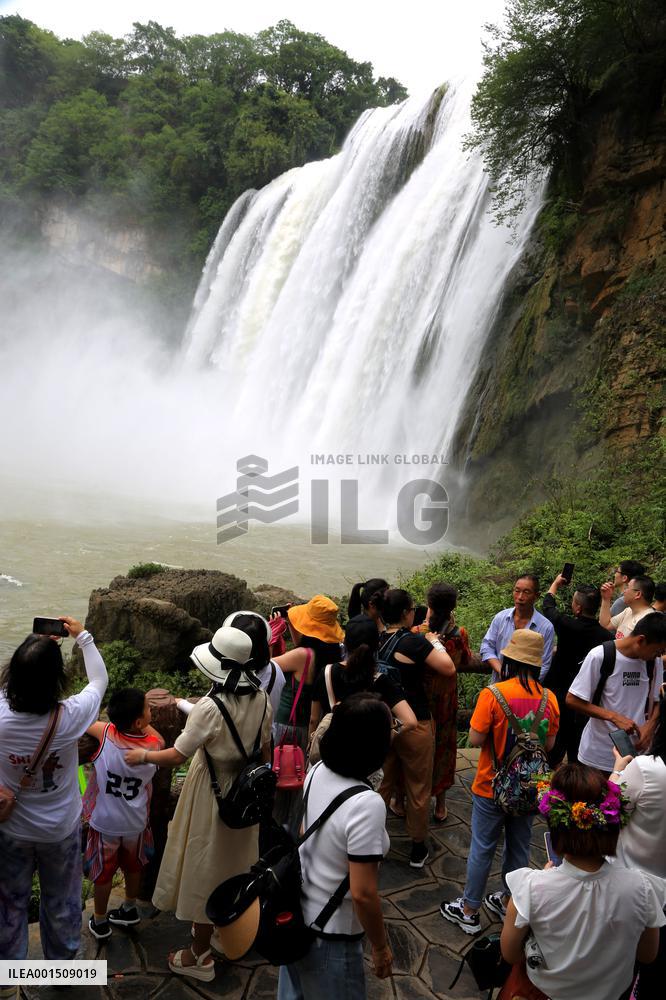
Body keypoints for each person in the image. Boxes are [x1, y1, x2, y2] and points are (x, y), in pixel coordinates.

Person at [125, 627, 272, 982]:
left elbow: (178, 755)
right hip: (244, 794)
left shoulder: (210, 707)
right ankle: (224, 930)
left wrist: (143, 755)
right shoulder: (262, 697)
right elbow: (264, 750)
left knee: (207, 868)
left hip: (212, 792)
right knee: (235, 864)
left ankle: (199, 955)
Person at [499, 764, 664, 1000]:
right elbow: (647, 955)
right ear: (613, 827)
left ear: (556, 830)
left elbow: (510, 954)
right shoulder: (643, 889)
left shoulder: (530, 889)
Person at [0, 618, 108, 965]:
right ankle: (62, 965)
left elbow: (10, 687)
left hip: (12, 829)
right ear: (56, 680)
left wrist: (31, 650)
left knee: (9, 902)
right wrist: (83, 637)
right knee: (62, 900)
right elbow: (99, 681)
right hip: (60, 830)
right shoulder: (71, 715)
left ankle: (9, 973)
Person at [440, 630, 559, 935]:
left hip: (491, 785)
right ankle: (509, 901)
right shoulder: (550, 698)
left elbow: (476, 738)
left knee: (483, 847)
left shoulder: (493, 695)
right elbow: (549, 745)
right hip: (531, 787)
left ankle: (469, 910)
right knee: (519, 846)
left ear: (509, 659)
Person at [277, 693, 394, 1000]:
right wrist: (380, 947)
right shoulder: (366, 804)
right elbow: (363, 893)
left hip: (298, 918)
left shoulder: (316, 771)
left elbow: (305, 831)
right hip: (332, 934)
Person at [376, 589, 456, 868]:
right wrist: (435, 642)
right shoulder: (412, 642)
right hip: (416, 723)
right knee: (418, 788)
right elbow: (448, 668)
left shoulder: (376, 638)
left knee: (382, 783)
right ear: (404, 613)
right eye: (412, 609)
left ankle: (369, 838)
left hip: (385, 722)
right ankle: (418, 847)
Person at [84, 687, 164, 939]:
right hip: (136, 822)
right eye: (148, 708)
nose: (151, 711)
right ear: (139, 722)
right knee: (133, 866)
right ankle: (129, 908)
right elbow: (160, 738)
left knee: (103, 874)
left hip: (104, 823)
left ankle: (99, 920)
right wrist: (144, 725)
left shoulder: (107, 734)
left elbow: (87, 724)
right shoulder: (154, 747)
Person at [609, 690, 666, 999]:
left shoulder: (647, 769)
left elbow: (608, 812)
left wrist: (618, 769)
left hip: (630, 890)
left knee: (620, 971)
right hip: (662, 896)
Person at [272, 595, 343, 832]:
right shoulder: (334, 655)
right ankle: (295, 831)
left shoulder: (302, 655)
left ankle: (275, 834)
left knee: (280, 784)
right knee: (299, 785)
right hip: (312, 731)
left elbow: (265, 669)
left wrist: (274, 635)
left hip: (287, 730)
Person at [566, 612, 666, 774]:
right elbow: (572, 700)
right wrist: (614, 717)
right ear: (641, 640)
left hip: (636, 757)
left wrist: (650, 726)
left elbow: (658, 699)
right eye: (658, 651)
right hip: (598, 754)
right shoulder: (600, 655)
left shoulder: (654, 662)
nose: (660, 656)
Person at [416, 582, 480, 822]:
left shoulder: (417, 633)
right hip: (445, 700)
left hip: (420, 699)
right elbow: (465, 659)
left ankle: (403, 798)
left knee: (417, 747)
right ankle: (441, 804)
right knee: (444, 748)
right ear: (452, 607)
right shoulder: (459, 633)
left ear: (429, 604)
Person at [541, 576, 612, 766]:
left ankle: (548, 773)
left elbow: (548, 606)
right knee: (577, 743)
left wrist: (555, 584)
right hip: (585, 697)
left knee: (554, 740)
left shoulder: (567, 625)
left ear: (578, 608)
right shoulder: (606, 637)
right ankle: (576, 774)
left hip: (559, 691)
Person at [308, 615, 417, 736]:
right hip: (368, 746)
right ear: (377, 644)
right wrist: (385, 737)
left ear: (345, 642)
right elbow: (410, 722)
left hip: (332, 745)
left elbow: (313, 719)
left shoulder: (326, 673)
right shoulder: (380, 680)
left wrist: (311, 742)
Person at [480, 575, 554, 681]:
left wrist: (519, 684)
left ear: (536, 596)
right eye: (517, 591)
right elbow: (487, 646)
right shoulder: (501, 618)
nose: (520, 597)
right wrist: (501, 670)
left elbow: (544, 664)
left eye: (526, 592)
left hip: (527, 689)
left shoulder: (545, 627)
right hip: (498, 686)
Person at [223, 611, 286, 726]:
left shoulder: (228, 669)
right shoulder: (275, 670)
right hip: (265, 733)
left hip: (229, 734)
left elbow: (218, 711)